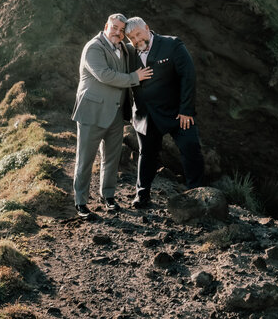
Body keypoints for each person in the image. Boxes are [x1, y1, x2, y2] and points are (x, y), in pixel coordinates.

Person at [71, 13, 153, 218]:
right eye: (114, 27)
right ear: (106, 25)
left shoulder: (123, 48)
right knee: (85, 159)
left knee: (111, 158)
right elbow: (105, 75)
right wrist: (136, 77)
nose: (117, 32)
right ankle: (80, 202)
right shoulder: (93, 47)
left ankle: (108, 197)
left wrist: (149, 39)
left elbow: (142, 45)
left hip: (116, 112)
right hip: (92, 112)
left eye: (121, 30)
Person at [124, 16, 205, 208]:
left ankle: (197, 195)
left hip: (177, 113)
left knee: (190, 150)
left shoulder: (172, 44)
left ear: (147, 28)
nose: (136, 40)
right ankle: (142, 195)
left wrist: (186, 110)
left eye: (138, 34)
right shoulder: (128, 53)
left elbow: (188, 76)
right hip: (146, 115)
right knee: (147, 154)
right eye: (131, 38)